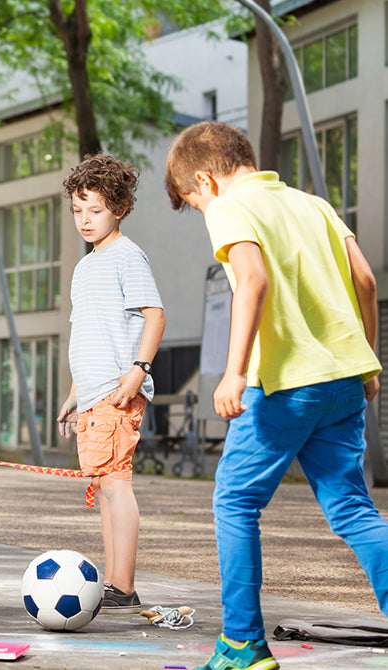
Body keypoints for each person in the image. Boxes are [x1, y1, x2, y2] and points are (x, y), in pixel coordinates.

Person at [165, 121, 388, 670]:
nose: (201, 212)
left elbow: (253, 279)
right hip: (343, 381)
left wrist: (234, 372)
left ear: (205, 180)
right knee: (353, 509)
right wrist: (368, 358)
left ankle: (242, 644)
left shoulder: (229, 206)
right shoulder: (313, 205)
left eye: (193, 202)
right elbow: (365, 280)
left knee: (236, 502)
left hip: (285, 385)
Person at [56, 153, 165, 614]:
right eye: (78, 210)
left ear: (119, 208)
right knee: (105, 484)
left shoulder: (126, 255)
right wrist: (74, 395)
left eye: (95, 210)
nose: (85, 220)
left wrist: (138, 370)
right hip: (94, 393)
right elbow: (88, 335)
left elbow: (155, 316)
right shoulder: (86, 266)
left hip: (119, 390)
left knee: (117, 483)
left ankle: (123, 584)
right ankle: (114, 581)